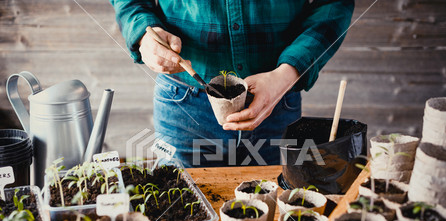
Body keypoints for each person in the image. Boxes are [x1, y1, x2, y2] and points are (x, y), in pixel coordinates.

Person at [110, 0, 354, 167]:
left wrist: (288, 73)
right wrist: (143, 33)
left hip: (275, 99)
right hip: (183, 104)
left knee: (277, 216)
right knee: (177, 212)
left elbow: (334, 4)